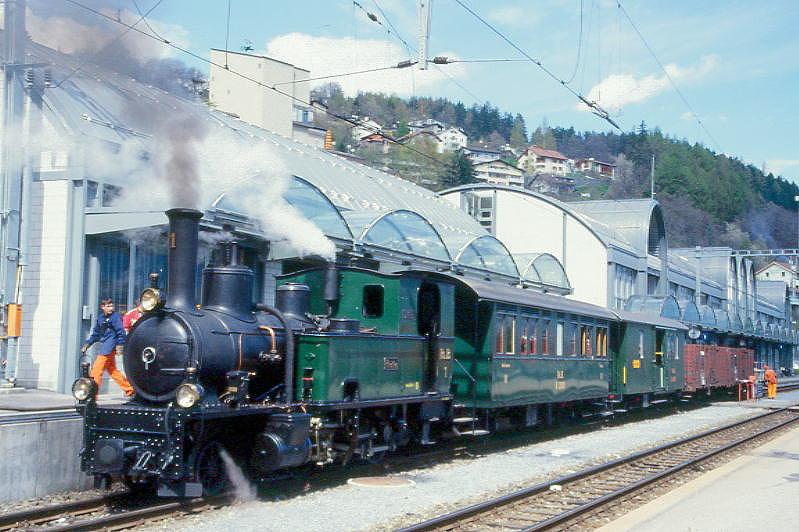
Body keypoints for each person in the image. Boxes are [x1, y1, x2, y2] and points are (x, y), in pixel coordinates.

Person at [82, 298, 134, 397]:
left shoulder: (115, 317)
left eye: (112, 306)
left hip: (108, 348)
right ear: (103, 307)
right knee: (113, 371)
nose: (111, 308)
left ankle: (93, 395)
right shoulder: (101, 318)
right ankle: (129, 389)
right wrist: (87, 344)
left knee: (96, 371)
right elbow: (96, 334)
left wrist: (120, 345)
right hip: (105, 346)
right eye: (108, 306)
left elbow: (121, 332)